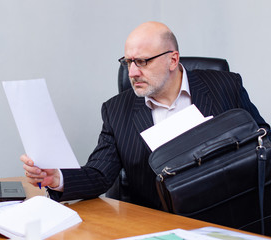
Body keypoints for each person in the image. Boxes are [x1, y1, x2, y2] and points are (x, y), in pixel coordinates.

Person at [21, 21, 269, 209]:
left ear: (173, 60)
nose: (132, 72)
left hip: (229, 213)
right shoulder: (117, 110)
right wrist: (57, 178)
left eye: (142, 61)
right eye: (127, 62)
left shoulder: (225, 86)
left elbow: (264, 140)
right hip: (157, 222)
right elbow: (99, 174)